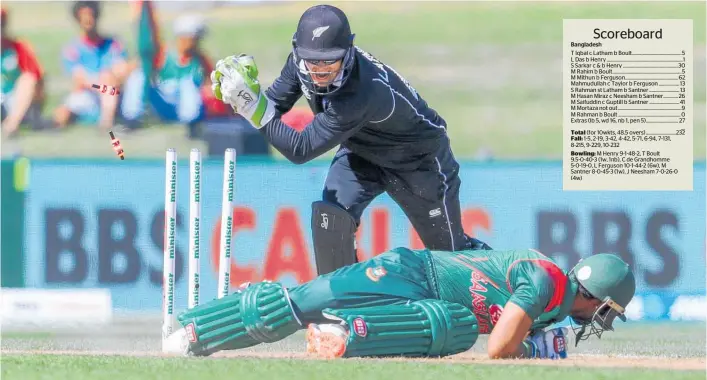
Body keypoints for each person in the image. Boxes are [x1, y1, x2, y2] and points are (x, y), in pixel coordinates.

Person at [209, 4, 492, 277]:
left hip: (419, 161)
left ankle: (516, 298)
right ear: (297, 51)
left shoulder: (363, 91)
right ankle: (341, 314)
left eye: (330, 61)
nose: (320, 71)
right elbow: (273, 106)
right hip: (361, 152)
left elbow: (300, 149)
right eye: (313, 62)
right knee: (331, 218)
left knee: (451, 261)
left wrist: (250, 105)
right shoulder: (299, 64)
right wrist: (245, 93)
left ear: (349, 53)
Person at [163, 247, 636, 360]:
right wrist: (535, 352)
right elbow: (500, 348)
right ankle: (195, 332)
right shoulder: (548, 280)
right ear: (597, 296)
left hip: (428, 303)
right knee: (298, 303)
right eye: (607, 310)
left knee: (452, 324)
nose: (603, 321)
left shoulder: (553, 304)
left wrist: (536, 342)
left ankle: (342, 334)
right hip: (411, 272)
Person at [122, 2, 225, 138]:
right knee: (138, 75)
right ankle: (131, 119)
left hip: (188, 107)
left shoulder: (201, 61)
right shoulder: (163, 55)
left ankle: (192, 125)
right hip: (163, 103)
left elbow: (211, 85)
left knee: (187, 83)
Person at [54, 1, 130, 130]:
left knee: (108, 81)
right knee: (61, 114)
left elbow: (121, 70)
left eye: (91, 15)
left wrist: (108, 81)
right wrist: (100, 84)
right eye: (83, 16)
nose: (88, 19)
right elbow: (80, 80)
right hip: (89, 93)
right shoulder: (72, 49)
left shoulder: (113, 44)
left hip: (113, 92)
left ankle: (106, 123)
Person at [1, 7, 49, 138]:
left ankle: (11, 126)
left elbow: (38, 77)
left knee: (28, 79)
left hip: (16, 101)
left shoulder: (18, 47)